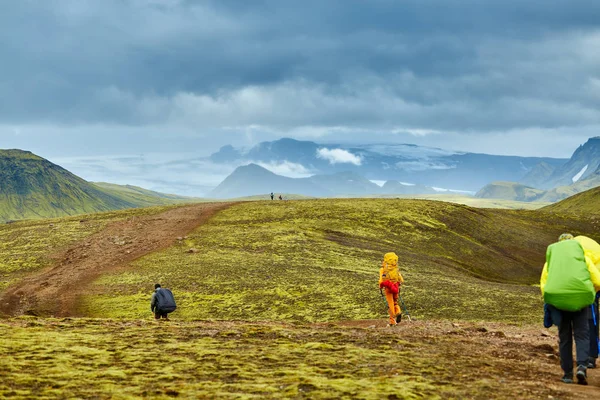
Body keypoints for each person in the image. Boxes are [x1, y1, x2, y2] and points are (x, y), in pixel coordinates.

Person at [540, 233, 600, 385]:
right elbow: (597, 280)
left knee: (565, 337)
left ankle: (567, 374)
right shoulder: (583, 257)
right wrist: (590, 294)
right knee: (582, 334)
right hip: (581, 301)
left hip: (560, 303)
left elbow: (544, 284)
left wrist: (552, 301)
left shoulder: (552, 260)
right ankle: (582, 366)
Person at [379, 252, 404, 327]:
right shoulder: (396, 268)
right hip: (396, 287)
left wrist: (380, 286)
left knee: (390, 305)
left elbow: (381, 280)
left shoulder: (383, 269)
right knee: (395, 302)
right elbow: (401, 279)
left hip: (388, 289)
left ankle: (392, 322)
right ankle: (398, 311)